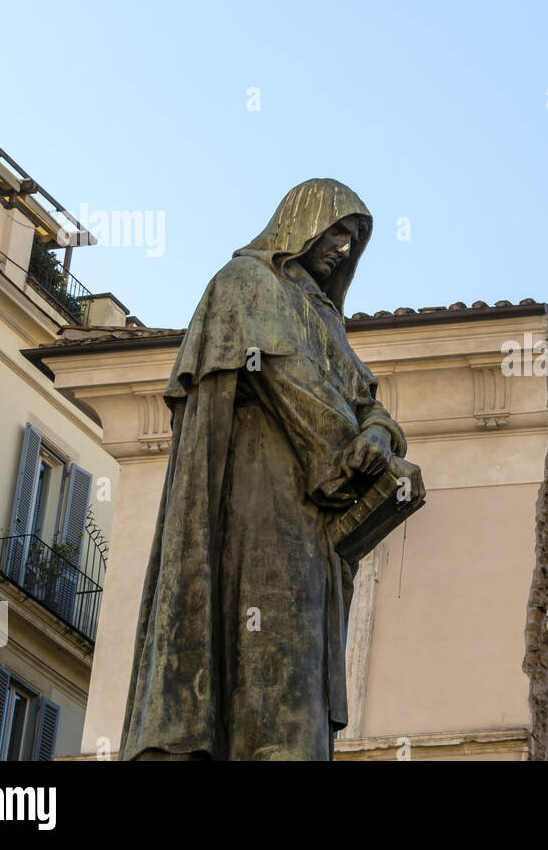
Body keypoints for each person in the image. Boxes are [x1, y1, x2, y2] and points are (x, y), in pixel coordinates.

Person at [120, 178, 423, 761]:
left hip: (312, 521)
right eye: (336, 229)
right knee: (268, 650)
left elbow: (368, 401)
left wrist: (380, 435)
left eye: (353, 238)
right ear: (301, 222)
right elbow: (286, 377)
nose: (342, 245)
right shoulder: (245, 283)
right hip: (260, 496)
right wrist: (345, 454)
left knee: (300, 661)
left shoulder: (328, 320)